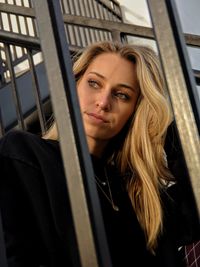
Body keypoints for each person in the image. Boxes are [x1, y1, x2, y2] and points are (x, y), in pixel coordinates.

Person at [0, 41, 199, 267]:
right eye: (94, 83)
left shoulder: (142, 197)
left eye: (122, 95)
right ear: (73, 86)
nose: (103, 103)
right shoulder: (25, 153)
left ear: (136, 111)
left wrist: (163, 125)